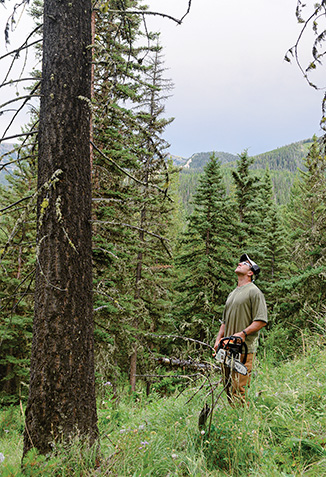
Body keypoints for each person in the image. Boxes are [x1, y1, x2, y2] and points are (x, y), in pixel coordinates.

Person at [214, 253, 268, 405]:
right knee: (227, 387)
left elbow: (261, 320)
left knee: (238, 390)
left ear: (251, 272)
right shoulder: (232, 294)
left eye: (244, 263)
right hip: (227, 349)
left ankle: (241, 423)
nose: (240, 263)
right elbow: (224, 322)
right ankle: (233, 419)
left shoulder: (254, 291)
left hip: (244, 350)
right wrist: (218, 340)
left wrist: (243, 333)